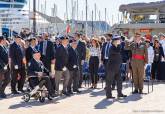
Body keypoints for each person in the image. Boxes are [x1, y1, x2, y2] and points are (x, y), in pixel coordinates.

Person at [106, 35, 127, 99]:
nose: (119, 41)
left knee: (119, 81)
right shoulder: (112, 48)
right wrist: (119, 45)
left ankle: (119, 93)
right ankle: (109, 95)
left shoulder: (117, 46)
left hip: (117, 67)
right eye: (118, 40)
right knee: (109, 82)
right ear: (114, 41)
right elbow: (118, 51)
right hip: (111, 68)